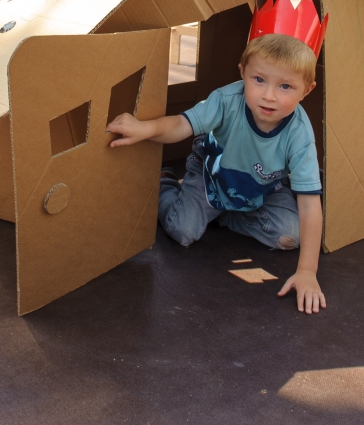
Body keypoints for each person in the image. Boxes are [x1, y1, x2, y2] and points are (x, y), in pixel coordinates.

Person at [106, 31, 327, 314]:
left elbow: (309, 203)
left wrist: (307, 271)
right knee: (183, 229)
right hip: (213, 175)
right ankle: (167, 183)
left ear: (307, 89)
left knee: (292, 235)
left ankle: (226, 216)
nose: (269, 96)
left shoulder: (299, 134)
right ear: (242, 73)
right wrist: (145, 128)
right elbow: (182, 124)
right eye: (258, 80)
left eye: (285, 86)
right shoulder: (226, 99)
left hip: (260, 190)